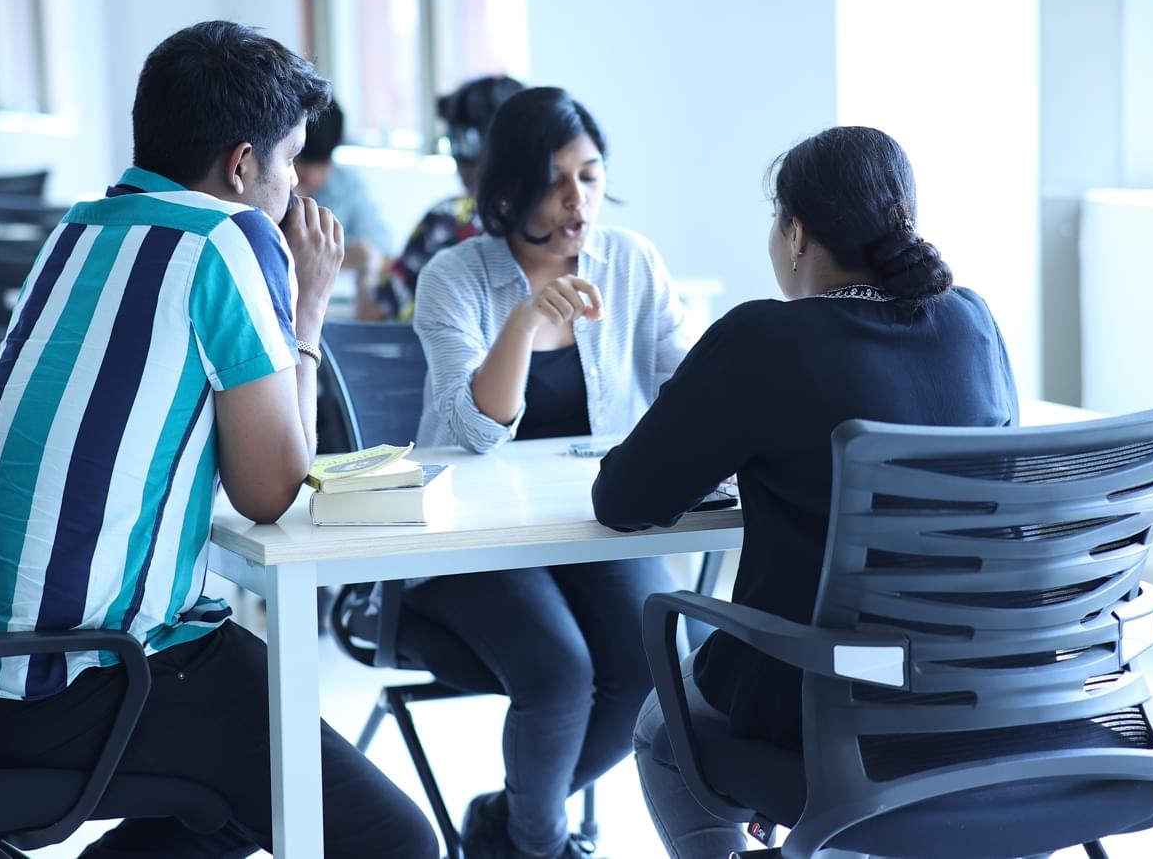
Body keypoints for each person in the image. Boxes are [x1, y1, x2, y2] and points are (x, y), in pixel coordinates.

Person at [0, 21, 438, 859]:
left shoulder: (78, 229)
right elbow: (273, 491)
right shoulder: (230, 238)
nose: (294, 193)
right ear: (242, 165)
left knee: (232, 798)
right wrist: (305, 312)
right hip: (87, 677)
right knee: (395, 840)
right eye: (290, 163)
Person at [592, 126, 1019, 858]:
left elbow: (625, 497)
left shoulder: (767, 338)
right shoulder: (972, 320)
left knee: (663, 729)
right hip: (995, 690)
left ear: (795, 232)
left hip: (826, 700)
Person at [405, 87, 694, 858]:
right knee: (560, 672)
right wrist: (526, 324)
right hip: (469, 536)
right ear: (506, 192)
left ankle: (511, 823)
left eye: (591, 176)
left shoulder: (630, 262)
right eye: (556, 180)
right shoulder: (454, 277)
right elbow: (472, 431)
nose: (579, 200)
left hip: (588, 527)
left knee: (654, 665)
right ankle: (538, 845)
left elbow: (689, 387)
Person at [359, 74, 524, 321]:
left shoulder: (447, 220)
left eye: (455, 139)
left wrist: (367, 267)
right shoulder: (545, 218)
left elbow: (373, 315)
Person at [294, 98, 394, 286]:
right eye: (302, 163)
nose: (312, 176)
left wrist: (349, 254)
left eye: (322, 165)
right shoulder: (270, 186)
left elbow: (383, 248)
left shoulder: (347, 184)